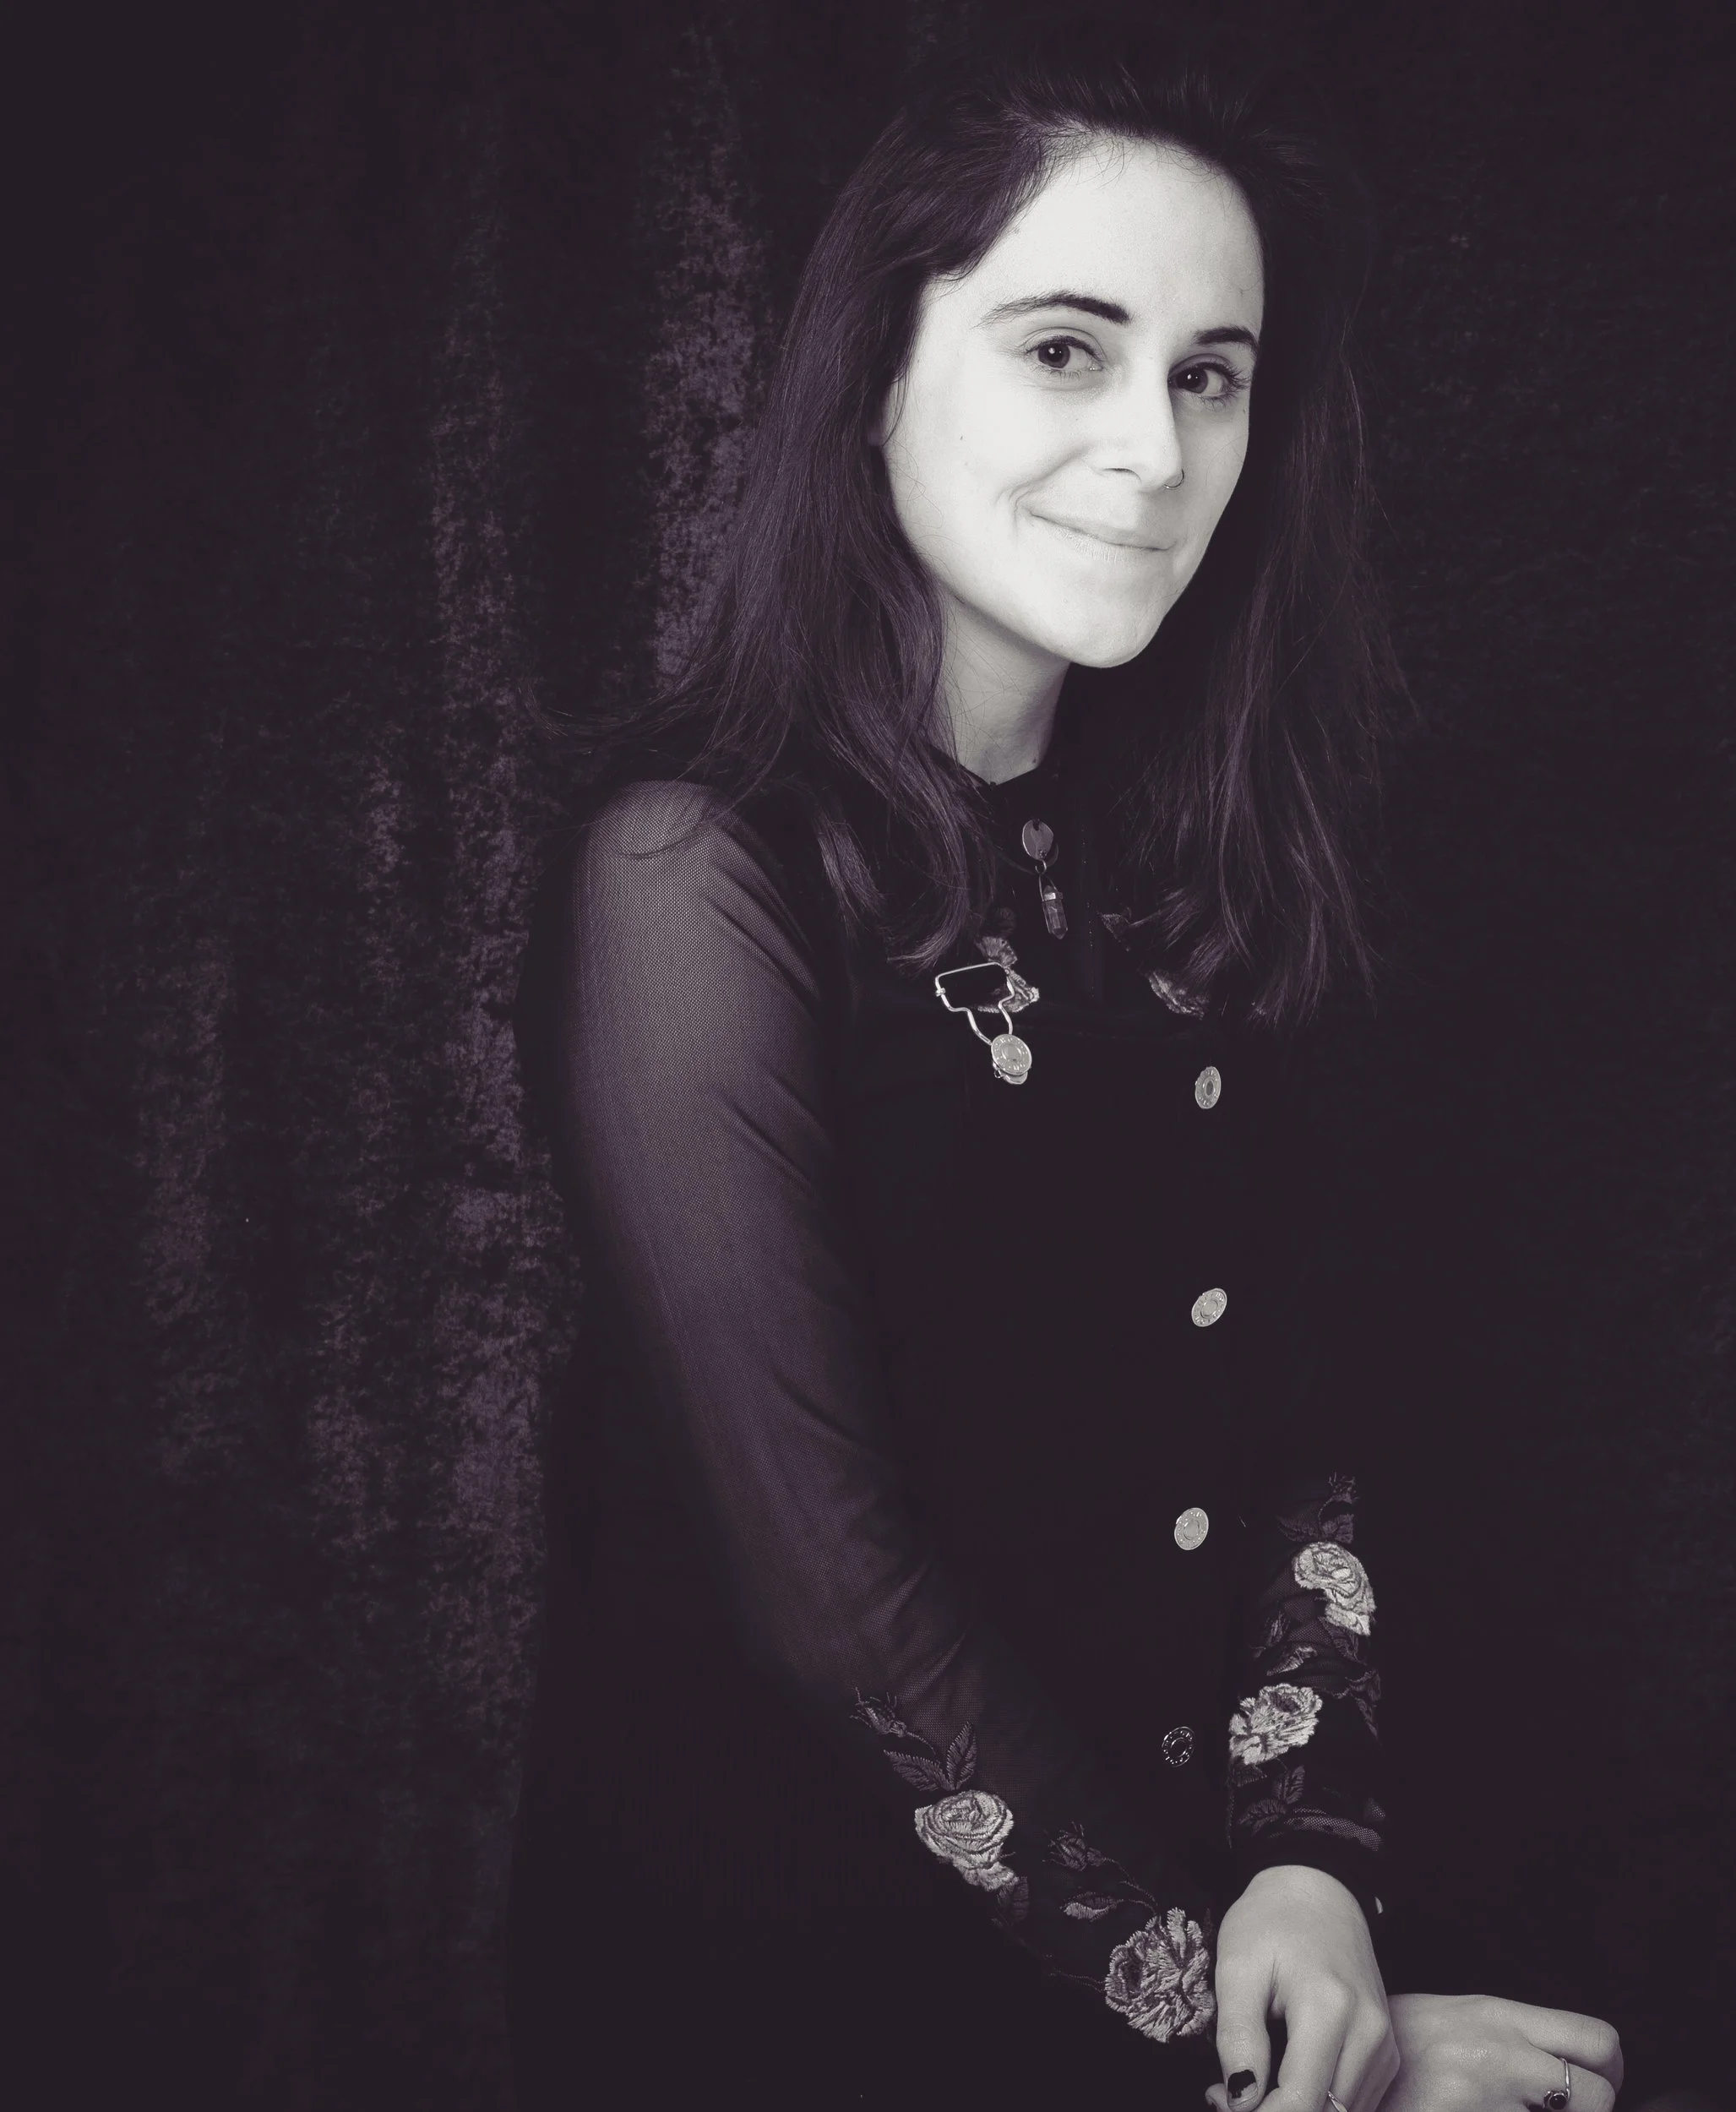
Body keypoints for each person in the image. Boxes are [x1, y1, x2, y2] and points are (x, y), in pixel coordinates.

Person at [503, 15, 1628, 2109]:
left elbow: (1295, 1422)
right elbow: (831, 1608)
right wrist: (1250, 2036)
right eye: (1062, 349)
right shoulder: (690, 879)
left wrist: (1311, 1870)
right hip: (797, 2000)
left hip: (1200, 1920)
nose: (1153, 450)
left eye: (1209, 374)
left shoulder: (1187, 851)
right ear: (871, 375)